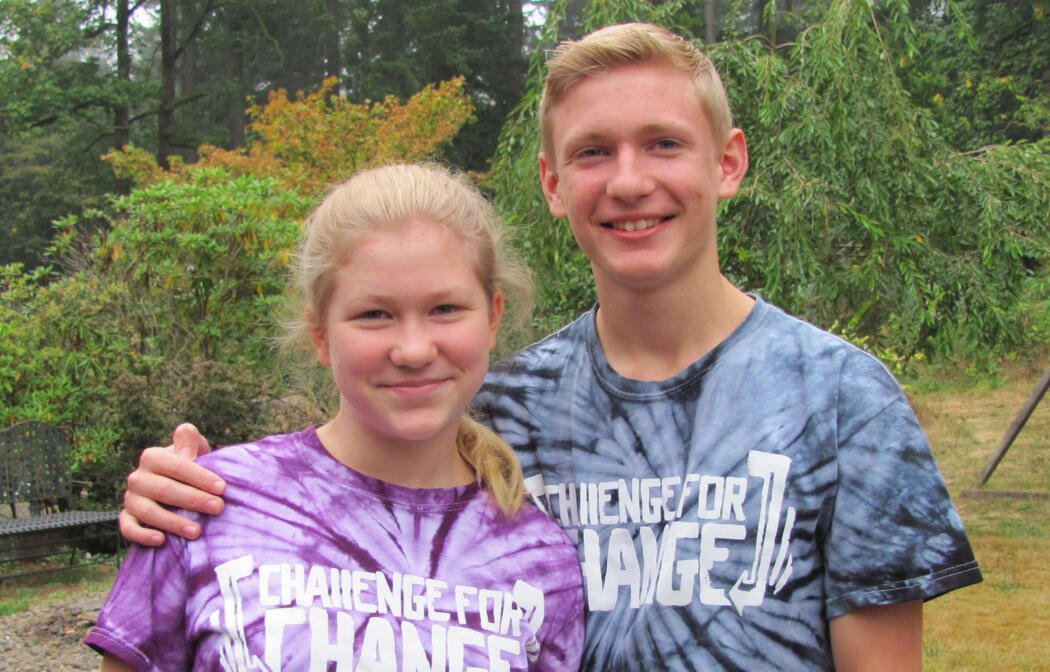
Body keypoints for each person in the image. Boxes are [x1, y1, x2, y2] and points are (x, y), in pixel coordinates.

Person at [116, 23, 982, 671]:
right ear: (553, 183)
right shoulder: (495, 406)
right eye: (594, 152)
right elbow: (347, 487)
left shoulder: (841, 398)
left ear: (728, 163)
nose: (631, 180)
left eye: (665, 144)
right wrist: (183, 490)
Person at [86, 164, 585, 671]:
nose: (413, 349)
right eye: (374, 314)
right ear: (320, 333)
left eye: (446, 309)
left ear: (494, 316)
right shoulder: (204, 505)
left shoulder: (540, 559)